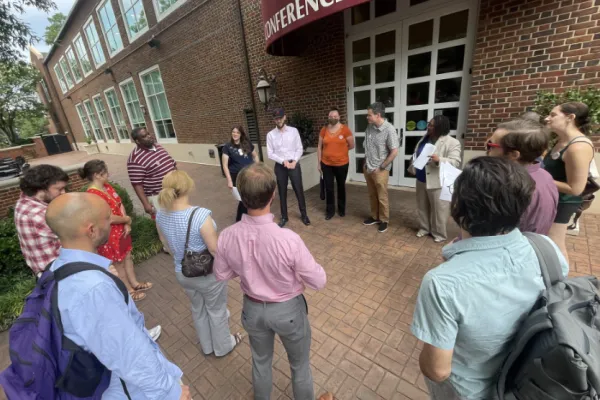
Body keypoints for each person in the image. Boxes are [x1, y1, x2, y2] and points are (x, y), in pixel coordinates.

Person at [411, 157, 569, 400]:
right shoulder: (546, 248)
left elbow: (437, 370)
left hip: (469, 391)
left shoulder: (441, 283)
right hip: (530, 381)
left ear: (457, 209)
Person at [45, 193, 190, 399]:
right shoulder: (93, 289)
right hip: (131, 390)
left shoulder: (57, 268)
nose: (113, 220)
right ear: (91, 230)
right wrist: (170, 392)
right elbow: (127, 352)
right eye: (107, 218)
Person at [214, 163, 326, 400]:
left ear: (242, 197)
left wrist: (247, 266)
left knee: (260, 363)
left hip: (252, 309)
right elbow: (318, 281)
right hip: (289, 310)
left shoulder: (227, 235)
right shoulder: (288, 239)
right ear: (273, 195)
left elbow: (222, 274)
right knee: (300, 366)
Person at [156, 170, 243, 357]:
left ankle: (207, 346)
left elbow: (165, 244)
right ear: (188, 187)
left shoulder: (160, 215)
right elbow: (214, 250)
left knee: (198, 308)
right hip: (207, 274)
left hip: (182, 272)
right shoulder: (200, 215)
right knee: (216, 310)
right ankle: (223, 346)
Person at [79, 160, 153, 302]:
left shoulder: (107, 187)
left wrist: (126, 223)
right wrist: (126, 220)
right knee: (118, 263)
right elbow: (107, 218)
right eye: (105, 172)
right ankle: (128, 290)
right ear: (97, 175)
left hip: (121, 230)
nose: (108, 174)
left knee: (127, 256)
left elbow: (119, 204)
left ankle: (135, 284)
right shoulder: (93, 195)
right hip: (110, 234)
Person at [543, 102, 595, 264]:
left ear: (570, 118)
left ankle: (561, 283)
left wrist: (540, 178)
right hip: (552, 199)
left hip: (563, 203)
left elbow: (576, 188)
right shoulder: (561, 141)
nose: (547, 119)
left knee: (555, 243)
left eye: (553, 115)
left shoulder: (578, 147)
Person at [487, 119, 558, 234]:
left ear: (514, 155)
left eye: (490, 145)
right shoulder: (545, 176)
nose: (488, 149)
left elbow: (488, 233)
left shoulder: (507, 185)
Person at [409, 115, 461, 243]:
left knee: (439, 209)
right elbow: (417, 153)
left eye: (432, 125)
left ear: (440, 127)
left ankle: (439, 233)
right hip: (421, 178)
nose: (429, 127)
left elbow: (456, 162)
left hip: (438, 181)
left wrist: (439, 160)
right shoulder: (424, 139)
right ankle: (424, 228)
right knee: (422, 206)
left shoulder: (452, 142)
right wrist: (413, 164)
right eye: (429, 124)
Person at [127, 127, 176, 252]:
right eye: (144, 136)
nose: (149, 136)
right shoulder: (135, 159)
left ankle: (179, 242)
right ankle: (169, 248)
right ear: (137, 141)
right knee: (164, 223)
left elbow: (171, 162)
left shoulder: (158, 147)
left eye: (148, 133)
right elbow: (136, 183)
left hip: (173, 191)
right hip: (157, 195)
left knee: (176, 218)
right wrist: (146, 204)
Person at [14, 164, 68, 276]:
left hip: (42, 271)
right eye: (59, 189)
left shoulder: (24, 200)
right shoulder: (42, 215)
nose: (64, 193)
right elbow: (76, 240)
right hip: (58, 273)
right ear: (41, 188)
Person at [267, 108, 310, 227]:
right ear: (274, 120)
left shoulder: (293, 131)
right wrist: (283, 161)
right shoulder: (270, 135)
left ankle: (304, 215)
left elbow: (299, 148)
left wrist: (295, 161)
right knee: (282, 192)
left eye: (280, 117)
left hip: (294, 164)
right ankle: (284, 217)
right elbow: (270, 153)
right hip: (281, 166)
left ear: (284, 117)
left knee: (299, 190)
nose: (278, 120)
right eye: (276, 118)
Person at [362, 102, 399, 233]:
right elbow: (367, 145)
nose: (367, 117)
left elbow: (394, 151)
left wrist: (382, 166)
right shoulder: (370, 127)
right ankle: (374, 216)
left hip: (380, 170)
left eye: (369, 115)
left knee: (382, 196)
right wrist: (365, 163)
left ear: (378, 115)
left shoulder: (389, 129)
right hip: (368, 167)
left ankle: (384, 220)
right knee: (372, 194)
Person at [317, 107, 355, 219]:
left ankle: (341, 209)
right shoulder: (324, 130)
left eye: (335, 116)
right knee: (328, 188)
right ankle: (330, 211)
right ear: (328, 117)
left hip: (342, 164)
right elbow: (319, 146)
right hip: (326, 164)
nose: (333, 118)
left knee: (341, 186)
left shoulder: (345, 130)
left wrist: (340, 151)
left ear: (339, 117)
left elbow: (352, 145)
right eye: (330, 116)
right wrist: (319, 163)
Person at [222, 126, 259, 221]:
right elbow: (225, 165)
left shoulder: (247, 144)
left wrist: (257, 169)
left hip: (250, 175)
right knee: (243, 199)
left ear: (241, 134)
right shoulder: (227, 147)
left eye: (237, 132)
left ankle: (247, 217)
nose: (235, 134)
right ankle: (239, 219)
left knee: (250, 197)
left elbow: (255, 157)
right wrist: (229, 180)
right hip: (237, 177)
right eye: (233, 132)